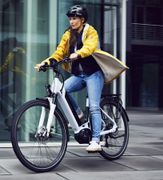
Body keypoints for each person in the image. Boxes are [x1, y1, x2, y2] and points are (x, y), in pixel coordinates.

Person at [35, 5, 128, 152]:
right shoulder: (68, 34)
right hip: (79, 75)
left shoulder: (90, 31)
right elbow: (59, 52)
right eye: (70, 19)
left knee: (94, 106)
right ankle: (78, 114)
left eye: (75, 18)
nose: (71, 21)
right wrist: (46, 62)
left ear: (82, 20)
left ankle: (96, 140)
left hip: (93, 74)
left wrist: (78, 54)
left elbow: (90, 47)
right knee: (62, 90)